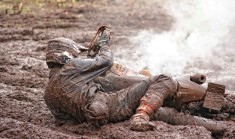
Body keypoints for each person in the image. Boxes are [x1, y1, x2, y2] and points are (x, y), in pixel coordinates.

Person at [44, 26, 177, 131]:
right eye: (75, 54)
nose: (77, 57)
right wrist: (104, 45)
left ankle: (146, 109)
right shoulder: (72, 67)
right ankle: (141, 117)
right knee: (163, 78)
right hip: (111, 106)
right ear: (65, 55)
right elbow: (107, 61)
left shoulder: (49, 93)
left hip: (94, 114)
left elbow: (67, 120)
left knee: (163, 112)